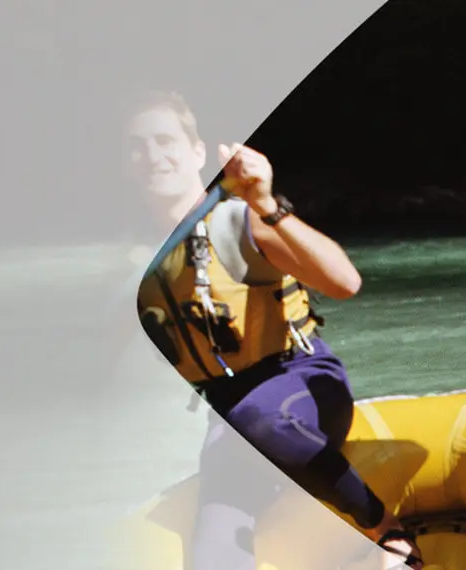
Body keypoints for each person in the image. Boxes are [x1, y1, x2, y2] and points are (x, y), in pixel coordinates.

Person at [126, 91, 424, 569]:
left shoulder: (240, 221)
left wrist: (266, 203)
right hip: (228, 416)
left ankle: (383, 526)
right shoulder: (136, 261)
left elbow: (345, 282)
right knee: (212, 556)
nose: (153, 155)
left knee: (256, 418)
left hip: (302, 384)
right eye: (137, 147)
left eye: (165, 141)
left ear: (198, 153)